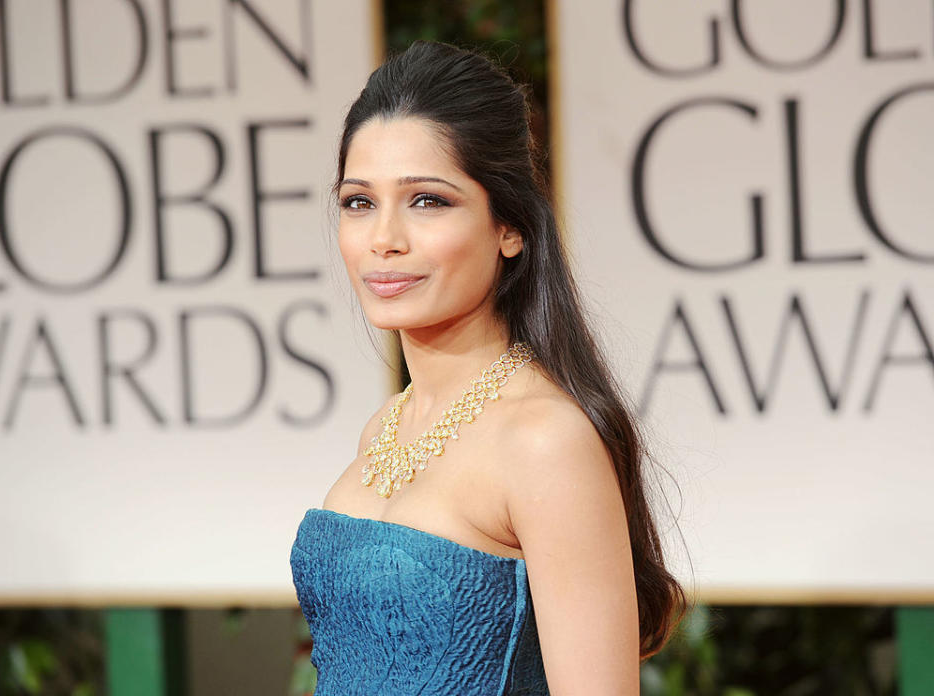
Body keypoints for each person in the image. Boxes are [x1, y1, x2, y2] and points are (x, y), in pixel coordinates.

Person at [289, 40, 688, 695]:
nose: (384, 238)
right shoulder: (386, 427)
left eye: (428, 201)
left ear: (510, 225)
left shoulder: (544, 441)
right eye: (359, 201)